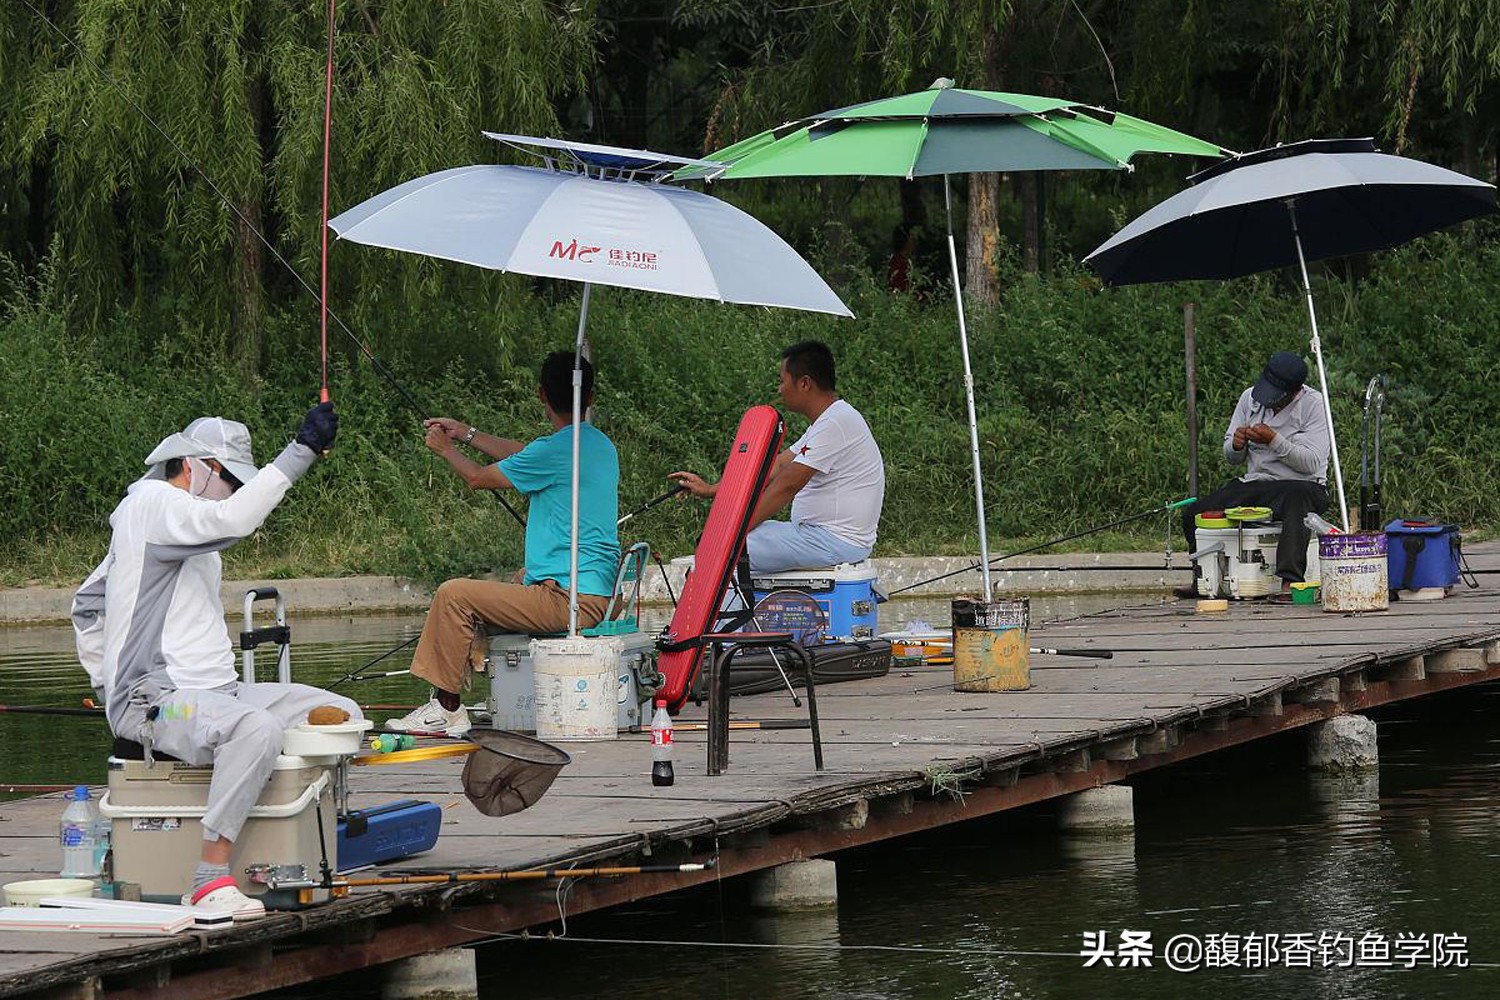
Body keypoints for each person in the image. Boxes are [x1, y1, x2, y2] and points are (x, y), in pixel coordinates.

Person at [72, 405, 355, 919]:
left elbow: (87, 603)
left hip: (220, 694)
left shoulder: (178, 522)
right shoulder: (154, 504)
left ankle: (314, 846)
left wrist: (101, 676)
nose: (232, 489)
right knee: (256, 730)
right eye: (229, 478)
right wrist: (302, 452)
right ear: (193, 465)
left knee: (341, 715)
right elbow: (235, 519)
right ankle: (209, 878)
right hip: (162, 705)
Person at [387, 351, 620, 737]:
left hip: (569, 601)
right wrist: (465, 433)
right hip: (594, 594)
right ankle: (470, 696)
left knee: (453, 595)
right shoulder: (597, 445)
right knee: (513, 580)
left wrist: (446, 449)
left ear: (541, 395)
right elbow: (527, 454)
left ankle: (447, 710)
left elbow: (478, 478)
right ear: (590, 397)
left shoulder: (555, 451)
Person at [671, 340, 885, 574]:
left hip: (833, 542)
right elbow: (780, 465)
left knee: (719, 551)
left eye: (782, 381)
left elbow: (787, 484)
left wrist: (736, 530)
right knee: (730, 542)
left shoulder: (836, 422)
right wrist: (713, 489)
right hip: (817, 538)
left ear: (804, 383)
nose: (779, 390)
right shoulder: (828, 421)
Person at [1179, 350, 1332, 600]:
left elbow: (1311, 462)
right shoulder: (1249, 398)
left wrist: (1273, 440)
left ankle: (1291, 582)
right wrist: (1236, 445)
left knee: (1297, 498)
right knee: (1194, 513)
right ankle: (1203, 579)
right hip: (1257, 483)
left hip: (1303, 485)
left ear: (1294, 391)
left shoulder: (1314, 405)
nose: (1268, 402)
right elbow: (1231, 456)